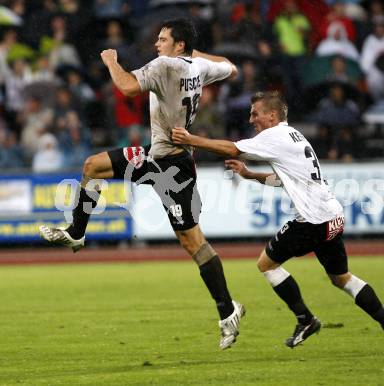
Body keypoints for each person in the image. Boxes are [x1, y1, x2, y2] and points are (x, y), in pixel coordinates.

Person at [39, 19, 245, 350]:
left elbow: (128, 87)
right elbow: (231, 69)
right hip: (155, 157)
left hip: (174, 167)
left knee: (193, 242)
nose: (156, 44)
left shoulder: (165, 65)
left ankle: (227, 310)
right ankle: (77, 231)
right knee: (93, 165)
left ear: (178, 46)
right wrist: (196, 56)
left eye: (163, 39)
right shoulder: (199, 67)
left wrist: (111, 61)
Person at [172, 91, 384, 353]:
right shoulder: (295, 135)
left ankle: (305, 319)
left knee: (266, 264)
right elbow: (284, 178)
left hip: (312, 220)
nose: (252, 119)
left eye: (255, 113)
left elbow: (233, 148)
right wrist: (250, 175)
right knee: (341, 278)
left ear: (272, 116)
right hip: (333, 217)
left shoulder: (274, 136)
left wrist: (191, 139)